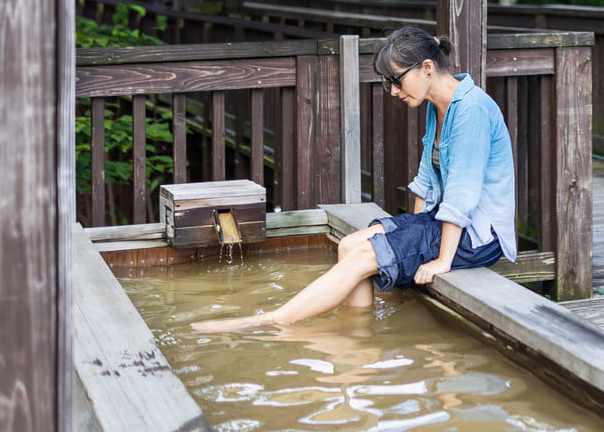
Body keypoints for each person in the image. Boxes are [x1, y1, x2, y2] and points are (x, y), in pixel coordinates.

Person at [192, 27, 516, 332]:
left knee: (364, 256)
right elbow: (426, 180)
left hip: (477, 237)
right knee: (349, 246)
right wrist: (412, 237)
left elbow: (463, 192)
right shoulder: (439, 107)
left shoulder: (471, 110)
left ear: (427, 67)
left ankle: (270, 322)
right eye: (388, 82)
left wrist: (441, 259)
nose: (393, 91)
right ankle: (356, 337)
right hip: (445, 223)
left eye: (396, 80)